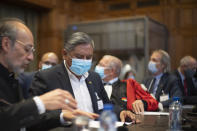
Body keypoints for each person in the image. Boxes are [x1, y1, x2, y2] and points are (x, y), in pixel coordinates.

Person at [30, 32, 137, 122]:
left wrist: (121, 112)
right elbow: (34, 115)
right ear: (64, 54)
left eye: (89, 57)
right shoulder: (46, 77)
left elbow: (106, 105)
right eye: (79, 56)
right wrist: (62, 116)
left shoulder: (94, 77)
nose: (84, 61)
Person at [0, 18, 79, 130]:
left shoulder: (11, 79)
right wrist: (40, 102)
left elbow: (23, 122)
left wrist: (63, 117)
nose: (31, 58)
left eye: (32, 51)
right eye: (27, 49)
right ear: (6, 44)